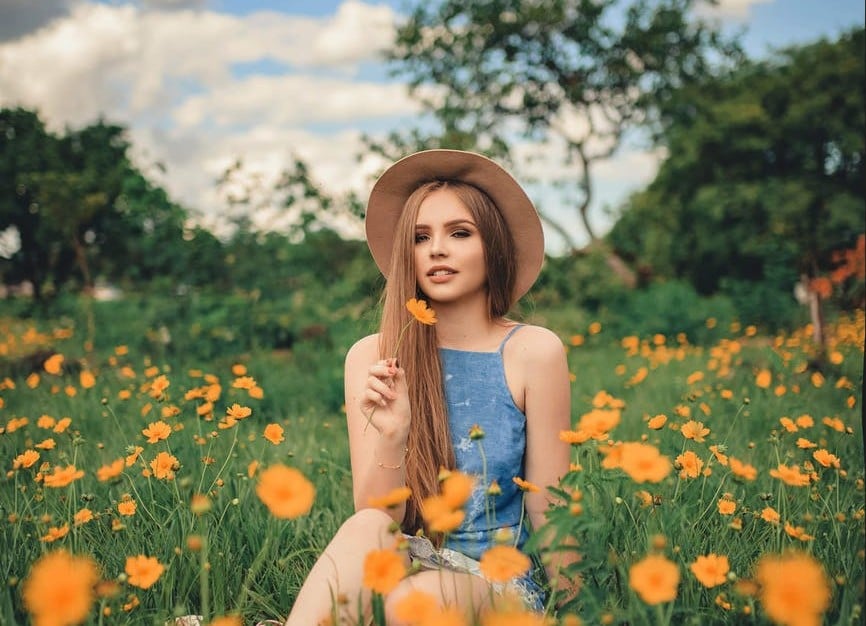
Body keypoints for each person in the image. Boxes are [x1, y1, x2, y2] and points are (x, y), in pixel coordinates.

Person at [283, 149, 572, 625]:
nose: (437, 249)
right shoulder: (372, 357)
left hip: (497, 585)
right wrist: (393, 435)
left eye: (459, 233)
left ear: (493, 246)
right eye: (420, 237)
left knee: (412, 602)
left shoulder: (532, 352)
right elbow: (381, 517)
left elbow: (549, 509)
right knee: (368, 527)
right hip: (408, 561)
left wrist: (581, 607)